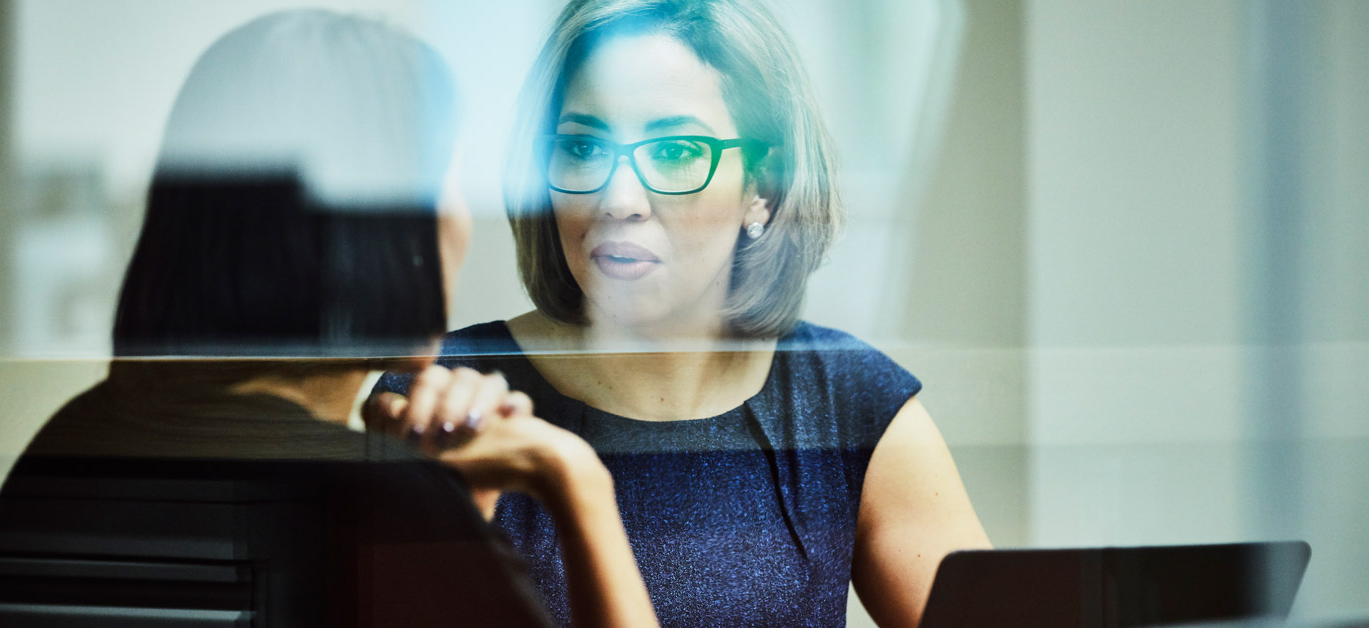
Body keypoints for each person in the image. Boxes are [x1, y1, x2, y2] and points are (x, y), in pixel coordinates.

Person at [0, 11, 656, 628]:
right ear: (379, 221)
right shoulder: (361, 498)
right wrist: (575, 480)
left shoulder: (69, 447)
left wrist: (455, 512)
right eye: (446, 172)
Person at [373, 0, 991, 626]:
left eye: (672, 153)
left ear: (763, 185)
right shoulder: (442, 402)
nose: (618, 199)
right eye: (584, 147)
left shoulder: (849, 401)